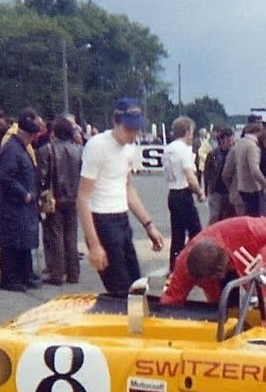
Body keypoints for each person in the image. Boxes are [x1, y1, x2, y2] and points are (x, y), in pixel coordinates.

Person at [77, 98, 163, 297]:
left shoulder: (129, 148)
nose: (134, 134)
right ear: (115, 122)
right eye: (129, 129)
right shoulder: (97, 146)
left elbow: (128, 188)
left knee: (136, 287)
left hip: (122, 219)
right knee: (120, 292)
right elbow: (82, 197)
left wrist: (148, 225)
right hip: (102, 220)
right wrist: (95, 244)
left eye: (137, 129)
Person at [160, 215, 266, 306]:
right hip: (218, 275)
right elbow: (172, 298)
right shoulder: (184, 265)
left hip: (253, 256)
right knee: (222, 309)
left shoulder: (244, 228)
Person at [0, 108, 42, 292]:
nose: (32, 140)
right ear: (25, 133)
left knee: (23, 240)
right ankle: (9, 278)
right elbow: (5, 176)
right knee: (11, 242)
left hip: (22, 205)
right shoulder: (12, 149)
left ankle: (25, 274)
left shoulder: (19, 147)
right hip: (12, 204)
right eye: (31, 136)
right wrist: (23, 192)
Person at [37, 116, 83, 285]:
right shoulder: (79, 150)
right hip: (74, 197)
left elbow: (42, 176)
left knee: (54, 235)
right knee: (71, 235)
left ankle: (57, 273)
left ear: (54, 132)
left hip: (54, 197)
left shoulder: (46, 150)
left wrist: (40, 195)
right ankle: (73, 273)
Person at [162, 115, 204, 271]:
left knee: (177, 235)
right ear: (187, 131)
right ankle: (192, 264)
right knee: (197, 233)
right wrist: (199, 191)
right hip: (183, 193)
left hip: (172, 193)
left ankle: (174, 267)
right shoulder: (183, 150)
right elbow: (190, 175)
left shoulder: (168, 150)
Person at [222, 120, 266, 218]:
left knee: (242, 223)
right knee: (255, 221)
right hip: (252, 191)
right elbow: (255, 170)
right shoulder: (253, 147)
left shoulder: (237, 146)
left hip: (238, 192)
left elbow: (226, 173)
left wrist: (231, 188)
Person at [204, 127, 235, 224]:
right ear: (223, 140)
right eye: (230, 139)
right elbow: (207, 172)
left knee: (228, 218)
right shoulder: (213, 154)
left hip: (230, 190)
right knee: (215, 216)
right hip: (216, 190)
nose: (232, 142)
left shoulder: (234, 152)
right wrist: (206, 190)